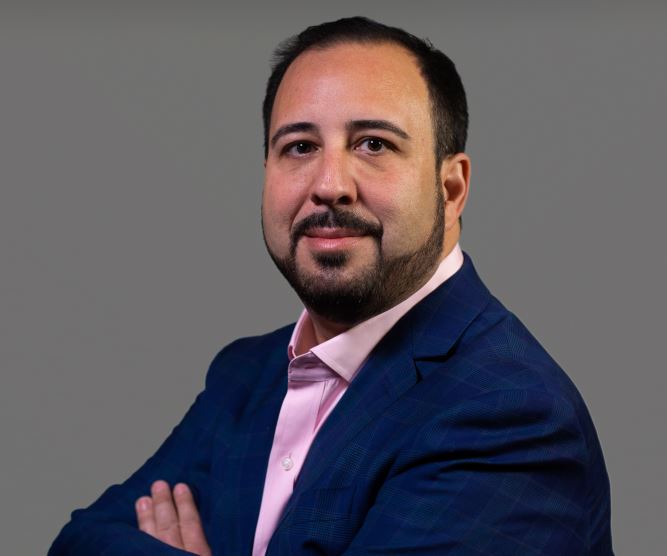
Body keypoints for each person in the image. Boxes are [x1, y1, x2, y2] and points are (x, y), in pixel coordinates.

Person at [49, 16, 613, 556]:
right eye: (300, 146)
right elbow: (79, 541)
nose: (329, 185)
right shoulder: (243, 377)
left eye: (373, 144)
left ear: (451, 189)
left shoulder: (509, 412)